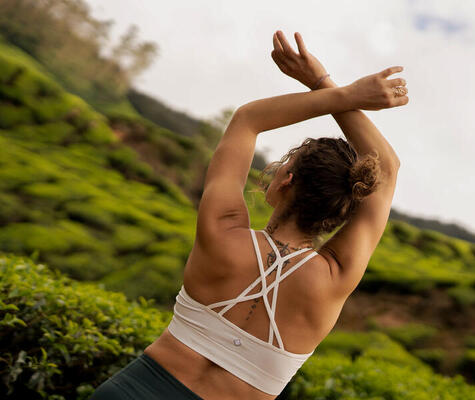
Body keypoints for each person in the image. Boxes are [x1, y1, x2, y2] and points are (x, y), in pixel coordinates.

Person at [90, 30, 408, 400]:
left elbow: (247, 120)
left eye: (283, 164)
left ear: (287, 181)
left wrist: (340, 90)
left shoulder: (222, 231)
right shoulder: (335, 277)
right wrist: (330, 87)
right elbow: (388, 168)